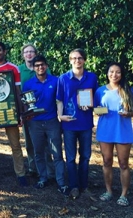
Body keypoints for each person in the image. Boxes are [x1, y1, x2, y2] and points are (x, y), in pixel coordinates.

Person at [0, 41, 27, 187]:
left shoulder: (13, 68)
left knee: (15, 144)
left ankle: (20, 173)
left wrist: (20, 112)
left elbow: (18, 91)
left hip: (10, 110)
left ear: (4, 51)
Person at [22, 55, 68, 195]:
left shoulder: (56, 81)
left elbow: (61, 100)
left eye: (42, 65)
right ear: (34, 67)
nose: (40, 67)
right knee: (38, 152)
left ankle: (61, 182)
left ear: (46, 66)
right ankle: (43, 178)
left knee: (57, 153)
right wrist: (26, 115)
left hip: (52, 121)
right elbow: (25, 103)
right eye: (37, 66)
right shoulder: (28, 84)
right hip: (35, 122)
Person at [56, 48, 98, 199]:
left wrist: (91, 105)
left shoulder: (92, 77)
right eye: (73, 58)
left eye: (80, 58)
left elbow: (95, 98)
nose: (77, 61)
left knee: (86, 156)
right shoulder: (63, 78)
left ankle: (84, 185)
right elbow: (60, 99)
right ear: (70, 60)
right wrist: (60, 116)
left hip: (86, 123)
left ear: (84, 60)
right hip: (69, 124)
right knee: (71, 157)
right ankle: (74, 186)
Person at [94, 62, 133, 206]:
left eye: (117, 72)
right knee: (106, 161)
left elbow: (132, 111)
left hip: (123, 131)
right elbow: (97, 109)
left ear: (121, 74)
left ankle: (124, 194)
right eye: (111, 72)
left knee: (123, 163)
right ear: (107, 73)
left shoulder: (128, 90)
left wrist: (128, 113)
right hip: (105, 130)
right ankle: (108, 191)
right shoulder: (100, 91)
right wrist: (97, 111)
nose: (114, 75)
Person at [18, 43, 54, 178]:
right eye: (26, 52)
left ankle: (49, 170)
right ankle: (33, 168)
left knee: (45, 143)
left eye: (31, 52)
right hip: (27, 111)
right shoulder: (19, 70)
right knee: (29, 142)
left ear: (35, 53)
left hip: (44, 113)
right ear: (23, 55)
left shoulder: (42, 68)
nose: (29, 54)